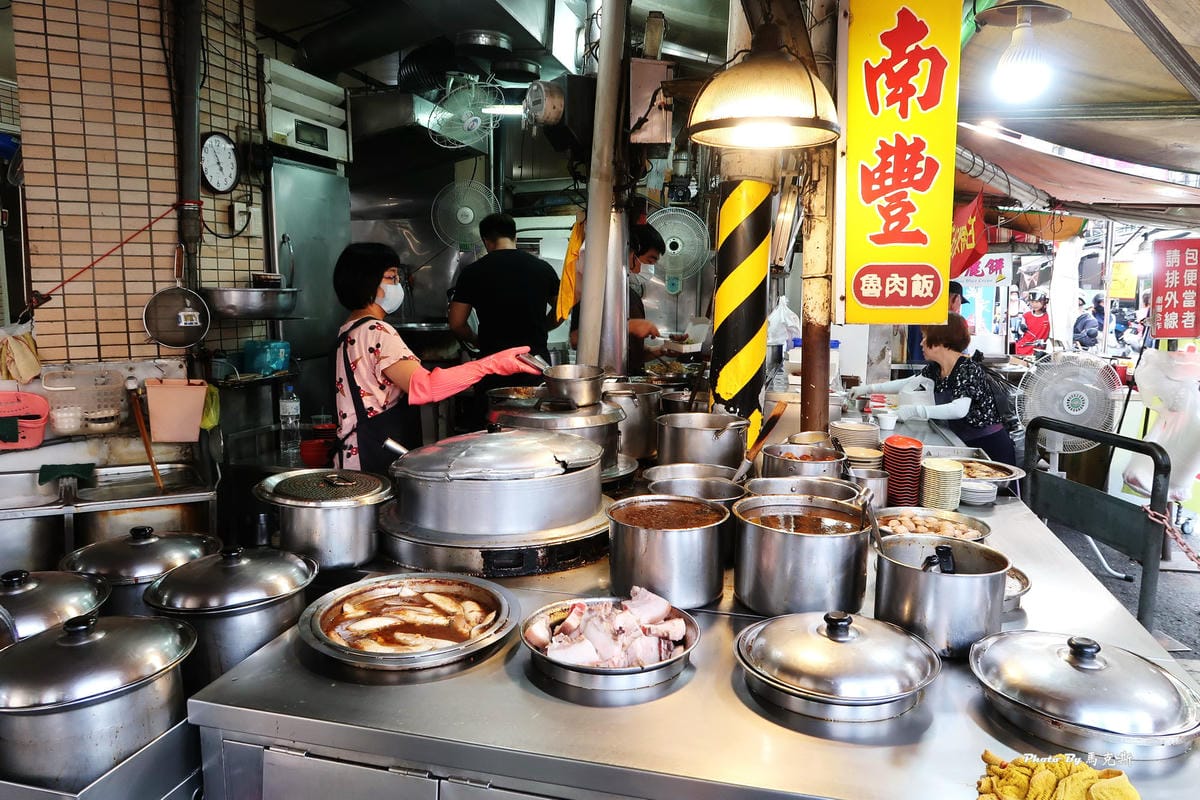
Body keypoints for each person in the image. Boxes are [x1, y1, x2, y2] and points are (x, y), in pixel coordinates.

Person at [333, 242, 539, 473]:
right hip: (372, 459)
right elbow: (425, 387)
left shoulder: (350, 328)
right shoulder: (377, 331)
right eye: (391, 278)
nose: (397, 285)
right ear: (366, 283)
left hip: (354, 456)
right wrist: (491, 364)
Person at [851, 313, 1016, 465]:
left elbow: (959, 409)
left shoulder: (968, 369)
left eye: (925, 337)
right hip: (961, 442)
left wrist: (916, 411)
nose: (921, 343)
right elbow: (908, 382)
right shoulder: (937, 368)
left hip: (989, 446)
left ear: (940, 341)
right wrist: (867, 388)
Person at [448, 212, 560, 362]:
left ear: (486, 241)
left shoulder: (472, 272)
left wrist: (477, 341)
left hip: (494, 364)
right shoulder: (543, 268)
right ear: (515, 238)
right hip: (534, 363)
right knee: (537, 387)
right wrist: (542, 328)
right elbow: (562, 311)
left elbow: (456, 323)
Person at [568, 223, 665, 373]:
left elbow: (629, 354)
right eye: (649, 261)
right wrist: (628, 326)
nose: (647, 268)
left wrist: (660, 350)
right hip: (604, 384)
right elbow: (575, 340)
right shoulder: (595, 291)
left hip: (632, 384)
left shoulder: (632, 297)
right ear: (632, 252)